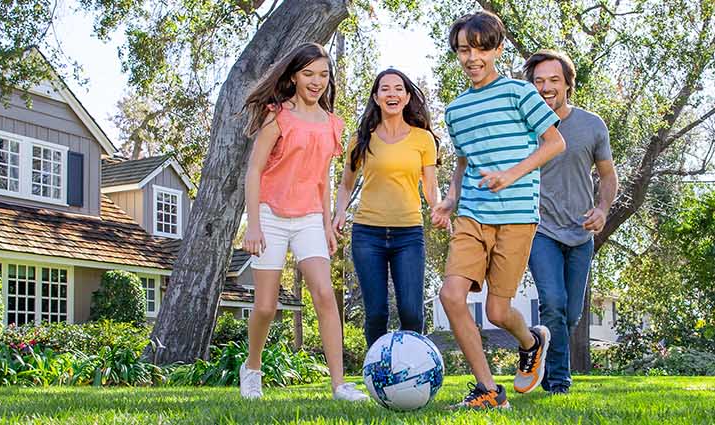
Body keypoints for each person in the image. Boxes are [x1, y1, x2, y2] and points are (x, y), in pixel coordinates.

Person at [433, 10, 567, 410]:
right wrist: (451, 197)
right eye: (463, 50)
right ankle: (488, 390)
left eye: (480, 49)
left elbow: (553, 143)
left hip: (516, 215)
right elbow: (462, 161)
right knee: (451, 295)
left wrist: (509, 175)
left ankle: (532, 341)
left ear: (497, 49)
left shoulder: (519, 93)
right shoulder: (455, 110)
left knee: (496, 310)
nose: (472, 58)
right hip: (473, 212)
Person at [238, 42, 367, 402]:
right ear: (294, 76)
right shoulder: (276, 115)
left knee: (325, 295)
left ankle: (339, 385)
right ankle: (252, 368)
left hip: (310, 215)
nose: (316, 81)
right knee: (265, 306)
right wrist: (254, 225)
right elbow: (254, 170)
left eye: (323, 74)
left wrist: (326, 224)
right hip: (270, 214)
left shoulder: (331, 123)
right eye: (309, 74)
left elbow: (322, 178)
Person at [523, 49, 618, 395]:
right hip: (539, 229)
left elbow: (608, 175)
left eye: (553, 80)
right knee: (553, 302)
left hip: (580, 232)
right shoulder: (523, 126)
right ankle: (559, 382)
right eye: (539, 81)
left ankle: (539, 347)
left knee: (572, 315)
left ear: (567, 85)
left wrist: (603, 208)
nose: (546, 87)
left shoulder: (592, 125)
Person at [331, 69, 441, 347]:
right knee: (377, 313)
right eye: (385, 89)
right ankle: (376, 377)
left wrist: (439, 208)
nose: (392, 94)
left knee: (412, 313)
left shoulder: (423, 139)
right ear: (376, 97)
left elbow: (430, 186)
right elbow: (345, 185)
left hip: (408, 234)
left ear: (406, 97)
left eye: (398, 89)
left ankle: (416, 373)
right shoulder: (361, 139)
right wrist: (340, 211)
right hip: (368, 234)